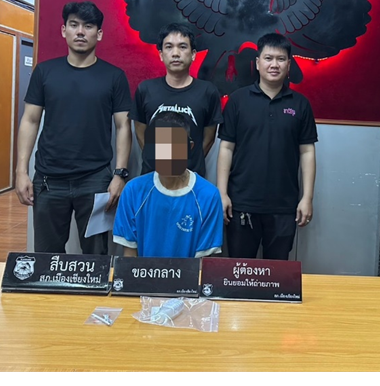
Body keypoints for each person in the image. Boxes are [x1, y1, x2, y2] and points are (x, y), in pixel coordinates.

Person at [15, 1, 132, 255]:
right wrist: (21, 171)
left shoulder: (114, 76)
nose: (80, 32)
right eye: (74, 25)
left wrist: (120, 175)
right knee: (47, 257)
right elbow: (30, 120)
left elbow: (123, 126)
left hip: (95, 180)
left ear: (99, 34)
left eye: (88, 26)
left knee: (96, 257)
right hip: (48, 179)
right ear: (64, 30)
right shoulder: (45, 72)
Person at [217, 33, 317, 261]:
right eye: (268, 58)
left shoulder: (300, 104)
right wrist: (222, 194)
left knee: (278, 274)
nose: (274, 65)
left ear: (289, 64)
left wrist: (307, 197)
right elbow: (226, 148)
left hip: (284, 206)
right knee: (240, 271)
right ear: (257, 63)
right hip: (241, 203)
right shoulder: (237, 100)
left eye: (281, 59)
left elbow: (307, 152)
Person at [113, 111, 224, 258]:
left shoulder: (209, 196)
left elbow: (203, 264)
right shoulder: (133, 191)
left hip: (189, 273)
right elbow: (129, 257)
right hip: (143, 272)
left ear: (189, 147)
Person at [129, 22, 223, 179]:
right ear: (161, 54)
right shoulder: (145, 89)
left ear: (193, 54)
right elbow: (140, 132)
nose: (175, 53)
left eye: (182, 47)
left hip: (191, 178)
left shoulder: (208, 91)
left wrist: (189, 161)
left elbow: (208, 138)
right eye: (169, 47)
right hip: (152, 177)